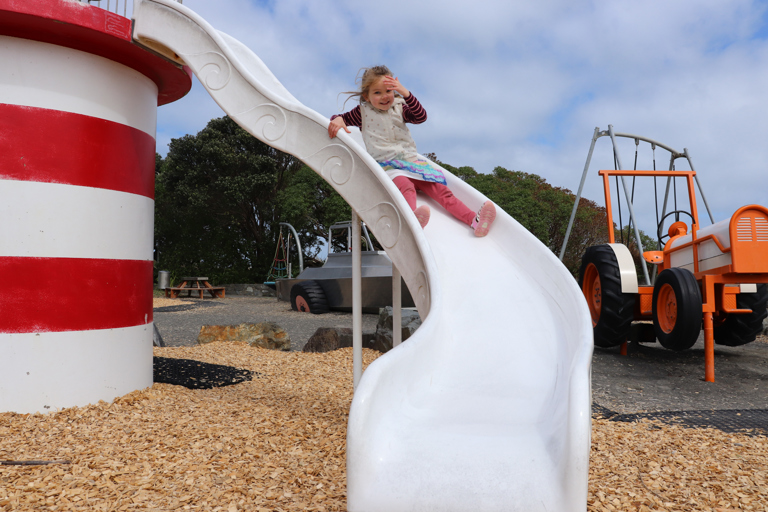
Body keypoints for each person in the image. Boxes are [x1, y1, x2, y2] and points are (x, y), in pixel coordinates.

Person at [328, 65, 496, 237]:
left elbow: (420, 116)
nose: (384, 97)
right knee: (406, 187)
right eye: (377, 93)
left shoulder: (400, 107)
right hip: (387, 166)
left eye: (389, 90)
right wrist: (338, 119)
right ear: (367, 96)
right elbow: (341, 118)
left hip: (411, 162)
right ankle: (411, 223)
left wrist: (406, 93)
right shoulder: (362, 113)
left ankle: (474, 222)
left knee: (440, 190)